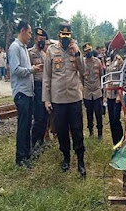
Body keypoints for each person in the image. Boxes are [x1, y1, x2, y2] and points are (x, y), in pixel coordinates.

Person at [42, 22, 86, 178]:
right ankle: (66, 158)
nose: (66, 38)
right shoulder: (51, 51)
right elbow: (46, 77)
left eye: (68, 35)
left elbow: (84, 71)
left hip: (74, 98)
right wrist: (47, 100)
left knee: (77, 130)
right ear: (59, 34)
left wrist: (78, 54)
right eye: (63, 34)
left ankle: (81, 160)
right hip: (58, 99)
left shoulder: (76, 49)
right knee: (61, 131)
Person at [9, 21, 42, 167]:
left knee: (28, 124)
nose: (30, 36)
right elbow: (15, 69)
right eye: (29, 33)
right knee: (23, 125)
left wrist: (32, 69)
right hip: (21, 92)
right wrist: (31, 70)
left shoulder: (23, 48)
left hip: (28, 92)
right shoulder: (15, 47)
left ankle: (27, 153)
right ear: (22, 31)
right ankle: (20, 158)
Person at [29, 27, 48, 151]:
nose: (42, 42)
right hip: (36, 86)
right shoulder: (30, 53)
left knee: (45, 116)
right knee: (38, 116)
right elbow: (27, 69)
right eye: (40, 39)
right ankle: (34, 143)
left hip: (45, 86)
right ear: (35, 39)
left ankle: (41, 141)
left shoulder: (44, 54)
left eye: (44, 40)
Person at [82, 42, 103, 140]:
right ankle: (90, 132)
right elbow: (81, 79)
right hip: (87, 93)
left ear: (92, 50)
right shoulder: (82, 63)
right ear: (84, 52)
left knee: (98, 114)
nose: (88, 52)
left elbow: (101, 75)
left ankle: (100, 134)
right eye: (86, 51)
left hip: (97, 92)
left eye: (89, 50)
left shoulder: (98, 61)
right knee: (89, 114)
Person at [104, 54, 124, 145]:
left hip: (117, 95)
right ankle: (115, 143)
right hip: (109, 94)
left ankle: (121, 141)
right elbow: (106, 78)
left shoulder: (120, 61)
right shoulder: (108, 60)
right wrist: (104, 95)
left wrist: (120, 94)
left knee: (116, 119)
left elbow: (123, 77)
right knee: (111, 120)